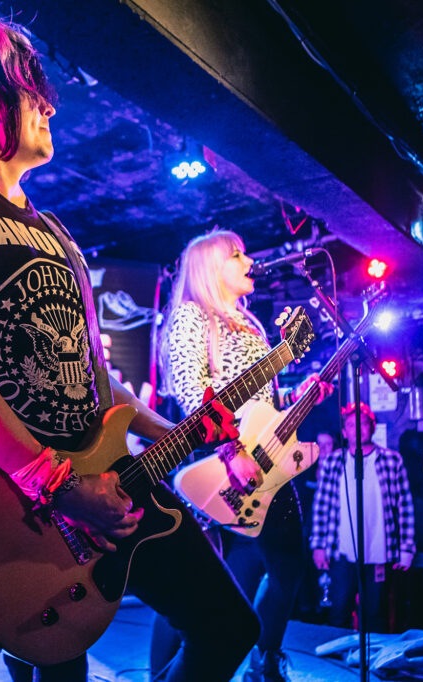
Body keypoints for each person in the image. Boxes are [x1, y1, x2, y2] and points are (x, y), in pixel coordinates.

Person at [0, 12, 258, 682]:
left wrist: (179, 429)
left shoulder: (55, 230)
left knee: (230, 626)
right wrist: (56, 486)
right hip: (19, 510)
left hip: (104, 477)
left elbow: (95, 380)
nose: (49, 101)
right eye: (32, 84)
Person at [156, 229, 331, 682]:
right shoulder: (192, 317)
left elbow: (263, 403)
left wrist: (302, 395)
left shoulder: (250, 324)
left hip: (267, 462)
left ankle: (265, 658)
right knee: (196, 581)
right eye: (237, 254)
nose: (249, 259)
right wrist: (229, 448)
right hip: (219, 462)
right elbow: (191, 390)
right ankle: (165, 673)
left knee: (288, 566)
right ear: (212, 268)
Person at [309, 402, 415, 633]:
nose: (357, 428)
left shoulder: (391, 460)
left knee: (376, 615)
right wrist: (318, 546)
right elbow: (322, 506)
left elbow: (404, 506)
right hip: (341, 552)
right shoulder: (333, 463)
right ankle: (337, 667)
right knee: (339, 613)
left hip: (379, 553)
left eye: (363, 422)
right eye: (350, 424)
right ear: (344, 432)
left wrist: (406, 549)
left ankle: (374, 667)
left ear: (372, 427)